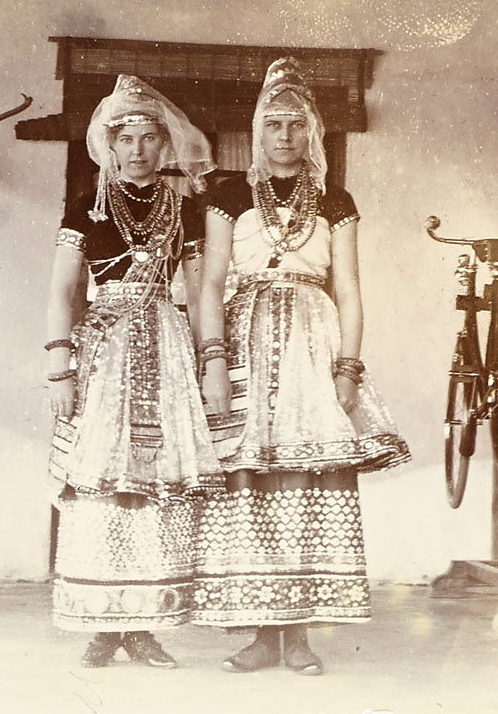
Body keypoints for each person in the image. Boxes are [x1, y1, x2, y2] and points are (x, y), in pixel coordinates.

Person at [193, 58, 410, 675]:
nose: (283, 136)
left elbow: (349, 288)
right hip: (244, 343)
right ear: (257, 132)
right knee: (251, 481)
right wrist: (213, 360)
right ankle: (263, 635)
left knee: (306, 479)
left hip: (312, 345)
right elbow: (210, 283)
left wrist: (348, 368)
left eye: (294, 125)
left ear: (310, 132)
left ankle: (301, 636)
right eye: (272, 125)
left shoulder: (335, 199)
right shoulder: (228, 195)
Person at [43, 75, 221, 667]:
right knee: (101, 480)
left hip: (166, 347)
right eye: (127, 139)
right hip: (104, 351)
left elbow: (198, 293)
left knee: (156, 480)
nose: (139, 149)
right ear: (109, 145)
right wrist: (59, 367)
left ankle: (143, 623)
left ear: (165, 146)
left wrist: (206, 361)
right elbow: (64, 289)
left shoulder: (184, 207)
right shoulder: (87, 205)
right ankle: (103, 623)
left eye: (150, 138)